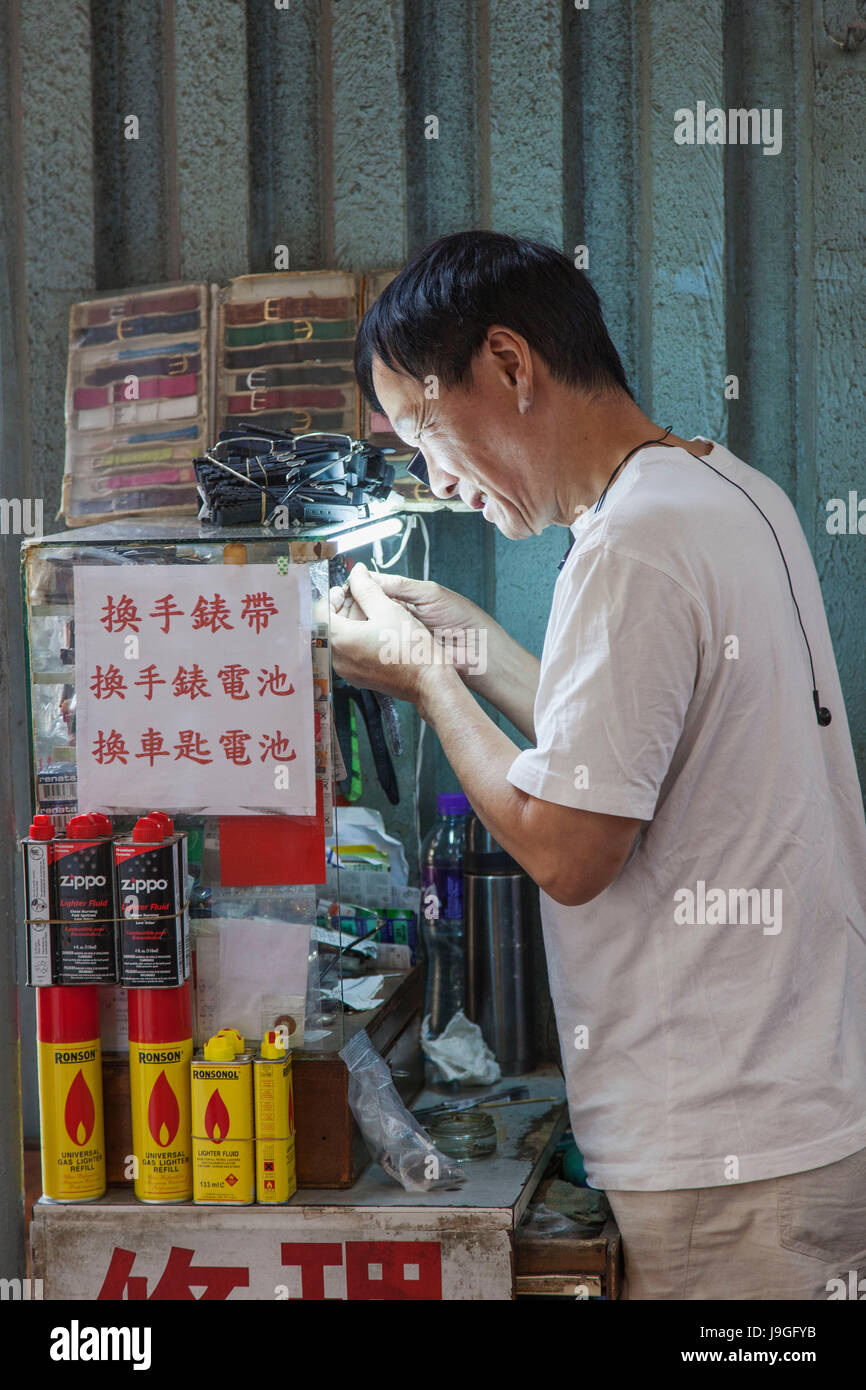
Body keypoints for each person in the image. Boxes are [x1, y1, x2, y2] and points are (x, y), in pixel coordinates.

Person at [329, 230, 866, 1300]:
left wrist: (428, 685)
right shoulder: (720, 492)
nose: (435, 477)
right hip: (796, 1104)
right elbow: (630, 750)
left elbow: (569, 848)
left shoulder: (628, 547)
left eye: (428, 430)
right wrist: (472, 649)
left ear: (510, 365)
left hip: (727, 1148)